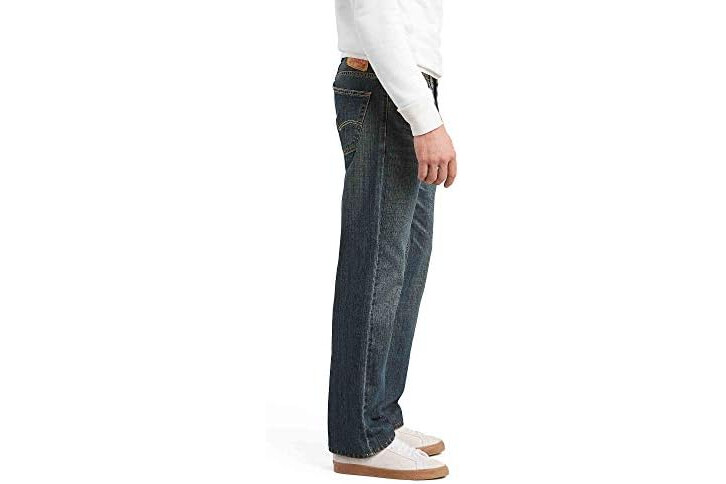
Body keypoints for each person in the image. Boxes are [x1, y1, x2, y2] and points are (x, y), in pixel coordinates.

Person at [328, 0, 457, 479]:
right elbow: (373, 12)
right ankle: (359, 437)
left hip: (402, 85)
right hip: (387, 88)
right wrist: (425, 119)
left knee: (404, 266)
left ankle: (378, 417)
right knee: (377, 268)